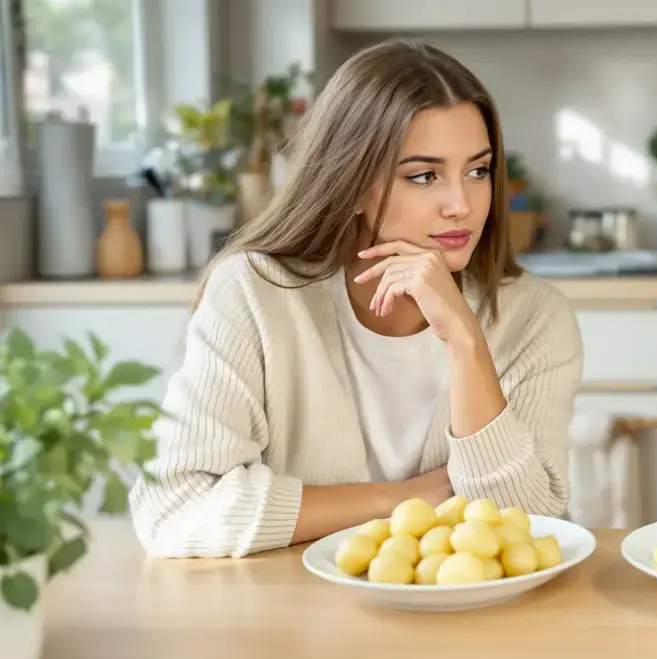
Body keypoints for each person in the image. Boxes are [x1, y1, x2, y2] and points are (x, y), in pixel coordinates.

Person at [128, 39, 583, 558]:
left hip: (475, 622)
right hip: (299, 619)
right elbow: (172, 506)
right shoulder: (255, 293)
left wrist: (465, 342)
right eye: (424, 175)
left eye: (477, 170)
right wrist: (403, 498)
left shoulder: (535, 316)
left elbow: (535, 525)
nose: (462, 204)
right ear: (355, 182)